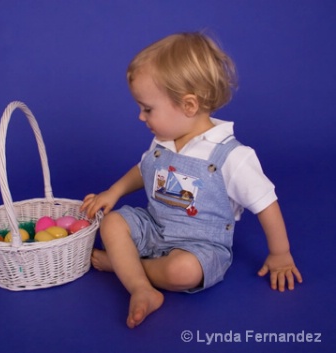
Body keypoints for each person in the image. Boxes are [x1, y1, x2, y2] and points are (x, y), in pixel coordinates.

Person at [80, 32, 302, 329]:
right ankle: (140, 287)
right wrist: (114, 191)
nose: (140, 117)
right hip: (155, 228)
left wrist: (280, 254)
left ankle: (124, 265)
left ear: (188, 106)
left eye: (148, 108)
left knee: (182, 272)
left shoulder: (232, 156)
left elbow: (266, 204)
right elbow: (144, 169)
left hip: (200, 247)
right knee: (112, 223)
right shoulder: (164, 141)